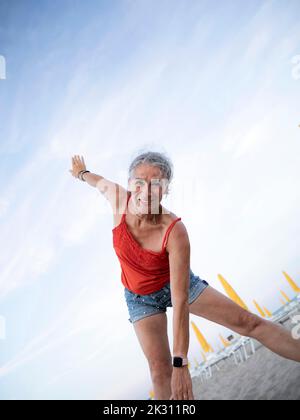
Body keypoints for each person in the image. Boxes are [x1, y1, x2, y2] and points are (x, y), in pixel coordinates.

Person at [69, 151, 300, 400]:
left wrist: (181, 363)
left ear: (165, 191)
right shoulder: (116, 198)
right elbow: (95, 180)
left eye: (156, 185)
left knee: (248, 322)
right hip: (139, 297)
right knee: (159, 371)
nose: (145, 192)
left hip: (177, 285)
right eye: (139, 182)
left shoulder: (174, 230)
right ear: (129, 183)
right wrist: (81, 173)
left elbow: (180, 301)